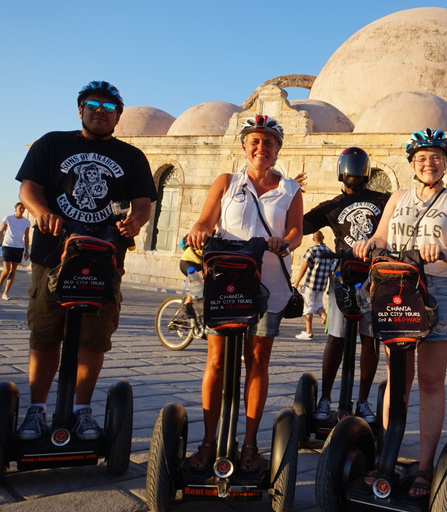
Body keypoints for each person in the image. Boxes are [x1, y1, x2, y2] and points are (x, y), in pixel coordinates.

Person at [14, 80, 156, 441]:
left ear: (118, 117)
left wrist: (136, 220)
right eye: (93, 104)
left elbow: (143, 204)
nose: (100, 112)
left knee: (93, 339)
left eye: (109, 108)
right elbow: (28, 189)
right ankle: (36, 410)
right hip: (53, 256)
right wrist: (43, 213)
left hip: (103, 259)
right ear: (80, 109)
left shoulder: (132, 157)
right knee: (46, 335)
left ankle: (81, 410)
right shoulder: (52, 144)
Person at [353, 128, 447, 498]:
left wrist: (439, 250)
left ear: (446, 162)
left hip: (437, 289)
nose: (429, 163)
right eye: (422, 158)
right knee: (398, 378)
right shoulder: (398, 196)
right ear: (412, 164)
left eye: (436, 157)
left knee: (432, 380)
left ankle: (423, 466)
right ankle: (387, 458)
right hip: (398, 287)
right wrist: (368, 244)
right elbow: (382, 236)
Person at [185, 115, 302, 473]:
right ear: (244, 146)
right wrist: (198, 231)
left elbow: (296, 230)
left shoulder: (290, 189)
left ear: (278, 149)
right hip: (227, 281)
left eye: (269, 142)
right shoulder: (227, 182)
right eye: (255, 141)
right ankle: (209, 442)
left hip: (269, 286)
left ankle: (249, 444)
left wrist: (284, 242)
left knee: (257, 361)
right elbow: (207, 220)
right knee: (217, 360)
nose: (261, 148)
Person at [302, 147, 389, 423]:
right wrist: (289, 193)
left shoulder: (384, 200)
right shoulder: (331, 206)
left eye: (359, 166)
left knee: (370, 339)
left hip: (374, 279)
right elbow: (300, 225)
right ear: (341, 171)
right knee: (336, 337)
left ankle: (363, 400)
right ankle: (326, 397)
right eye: (350, 166)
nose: (354, 172)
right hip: (343, 277)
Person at [293, 230, 332, 339]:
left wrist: (296, 283)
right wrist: (330, 286)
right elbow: (331, 271)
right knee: (319, 305)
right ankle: (327, 322)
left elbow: (303, 268)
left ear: (313, 239)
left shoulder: (312, 250)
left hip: (311, 283)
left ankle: (308, 331)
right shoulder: (330, 251)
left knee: (308, 307)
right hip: (322, 284)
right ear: (323, 237)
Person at [0, 202, 31, 300]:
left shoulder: (26, 222)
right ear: (15, 208)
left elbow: (26, 236)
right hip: (7, 245)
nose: (22, 210)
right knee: (6, 270)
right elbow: (1, 231)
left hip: (18, 247)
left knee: (13, 271)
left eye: (23, 208)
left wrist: (26, 250)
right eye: (20, 208)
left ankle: (6, 292)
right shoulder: (8, 218)